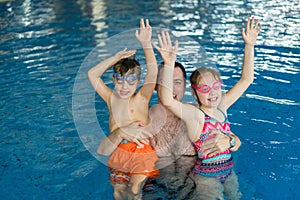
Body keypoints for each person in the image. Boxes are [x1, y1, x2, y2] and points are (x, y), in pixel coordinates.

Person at [155, 17, 262, 199]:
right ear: (195, 94)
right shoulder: (195, 114)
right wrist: (170, 62)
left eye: (215, 86)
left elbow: (247, 79)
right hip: (206, 178)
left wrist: (249, 46)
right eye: (204, 89)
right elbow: (167, 100)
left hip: (229, 171)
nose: (212, 93)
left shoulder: (222, 106)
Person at [111, 61, 241, 199]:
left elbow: (234, 141)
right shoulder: (143, 119)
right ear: (155, 85)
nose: (171, 88)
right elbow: (122, 154)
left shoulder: (199, 115)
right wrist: (120, 182)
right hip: (154, 187)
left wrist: (230, 141)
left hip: (194, 186)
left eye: (177, 82)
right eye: (165, 82)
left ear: (185, 86)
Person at [88, 18, 159, 200]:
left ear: (137, 82)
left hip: (142, 152)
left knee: (135, 189)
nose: (124, 86)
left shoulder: (142, 98)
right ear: (113, 80)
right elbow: (92, 74)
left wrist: (146, 44)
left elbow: (153, 72)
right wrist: (115, 59)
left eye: (131, 80)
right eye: (120, 79)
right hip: (119, 151)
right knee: (118, 191)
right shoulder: (110, 98)